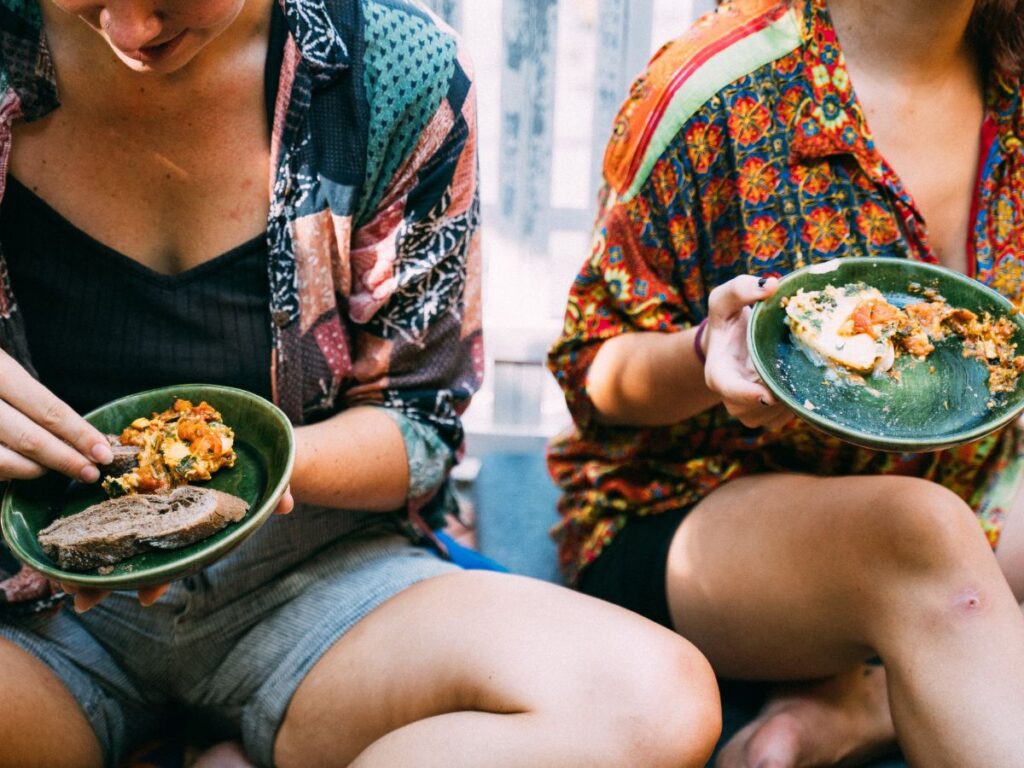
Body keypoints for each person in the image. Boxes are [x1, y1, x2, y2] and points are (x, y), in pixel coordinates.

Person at [0, 1, 725, 767]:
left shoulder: (391, 70)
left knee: (648, 700)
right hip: (35, 607)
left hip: (311, 582)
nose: (131, 29)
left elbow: (418, 425)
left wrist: (252, 477)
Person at [547, 0, 1024, 765]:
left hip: (978, 480)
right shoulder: (717, 89)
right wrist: (706, 353)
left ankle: (865, 702)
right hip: (699, 514)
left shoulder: (1010, 73)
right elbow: (594, 375)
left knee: (943, 531)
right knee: (922, 532)